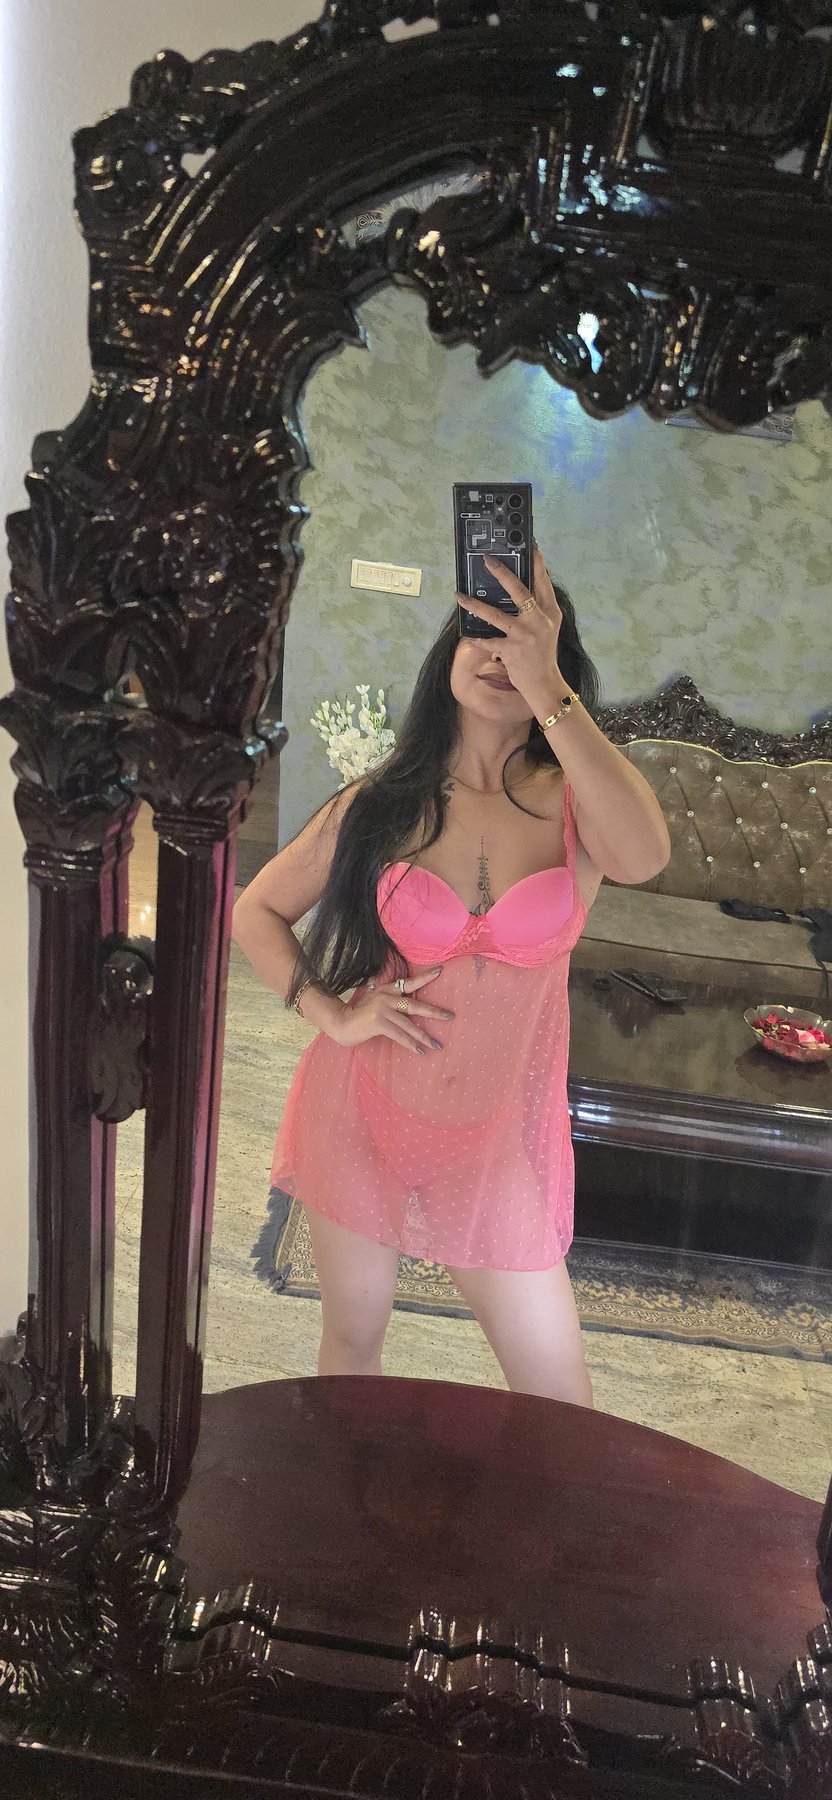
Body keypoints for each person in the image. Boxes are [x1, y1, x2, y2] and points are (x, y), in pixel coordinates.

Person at [232, 548, 671, 1404]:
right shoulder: (382, 803)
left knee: (561, 1403)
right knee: (354, 1345)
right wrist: (330, 1013)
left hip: (499, 1141)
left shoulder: (576, 803)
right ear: (448, 652)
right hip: (362, 1115)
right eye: (482, 631)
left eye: (524, 639)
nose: (499, 653)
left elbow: (645, 856)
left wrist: (549, 688)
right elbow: (257, 911)